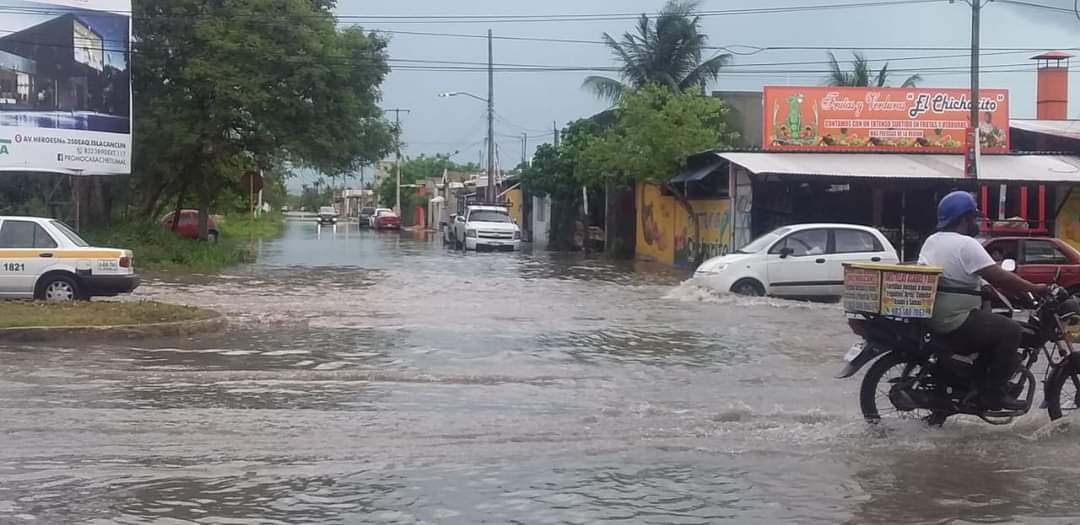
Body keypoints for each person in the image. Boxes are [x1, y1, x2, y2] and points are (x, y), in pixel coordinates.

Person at [918, 191, 1047, 411]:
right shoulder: (966, 244)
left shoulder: (933, 241)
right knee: (1011, 330)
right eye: (974, 218)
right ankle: (994, 394)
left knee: (993, 324)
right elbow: (998, 275)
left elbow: (975, 277)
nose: (976, 222)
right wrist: (1035, 288)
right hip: (954, 319)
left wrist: (1002, 291)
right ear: (964, 219)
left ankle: (976, 382)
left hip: (934, 316)